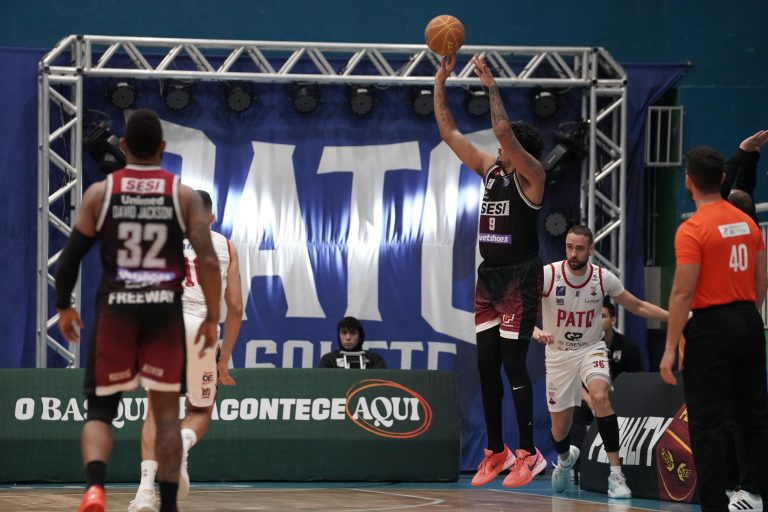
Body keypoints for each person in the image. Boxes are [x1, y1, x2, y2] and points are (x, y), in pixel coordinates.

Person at [55, 109, 221, 512]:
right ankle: (167, 504)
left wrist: (63, 307)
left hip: (117, 312)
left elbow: (70, 258)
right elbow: (208, 261)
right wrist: (212, 318)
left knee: (100, 412)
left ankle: (95, 488)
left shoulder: (101, 193)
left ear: (124, 145)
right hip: (163, 314)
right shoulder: (183, 196)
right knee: (166, 416)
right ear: (162, 148)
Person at [434, 53, 547, 488]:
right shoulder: (491, 171)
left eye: (506, 146)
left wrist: (490, 85)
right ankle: (497, 450)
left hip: (520, 277)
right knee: (486, 365)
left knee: (514, 365)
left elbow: (503, 131)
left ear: (518, 151)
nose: (499, 148)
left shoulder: (532, 176)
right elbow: (449, 133)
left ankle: (529, 453)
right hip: (490, 278)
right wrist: (441, 80)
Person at [660, 146, 768, 512]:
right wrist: (747, 315)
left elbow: (682, 292)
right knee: (755, 421)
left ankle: (714, 507)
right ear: (722, 179)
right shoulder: (748, 223)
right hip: (749, 321)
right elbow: (762, 277)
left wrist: (670, 347)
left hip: (711, 327)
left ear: (688, 183)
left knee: (706, 426)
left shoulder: (693, 228)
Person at [128, 190, 243, 512]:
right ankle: (181, 443)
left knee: (155, 412)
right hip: (201, 330)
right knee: (200, 411)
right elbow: (236, 308)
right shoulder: (226, 247)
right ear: (211, 218)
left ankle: (145, 493)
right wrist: (224, 361)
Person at [534, 224, 668, 498]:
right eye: (569, 247)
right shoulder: (549, 275)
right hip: (559, 355)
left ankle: (616, 475)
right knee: (559, 430)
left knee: (600, 397)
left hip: (591, 349)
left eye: (579, 248)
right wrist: (535, 331)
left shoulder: (602, 278)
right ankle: (564, 459)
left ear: (591, 250)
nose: (573, 253)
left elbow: (638, 305)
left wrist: (674, 317)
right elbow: (520, 306)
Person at [569, 299, 643, 477]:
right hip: (592, 400)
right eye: (593, 317)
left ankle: (618, 469)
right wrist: (591, 400)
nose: (597, 321)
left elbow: (637, 381)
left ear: (613, 320)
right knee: (574, 409)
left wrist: (610, 400)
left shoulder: (629, 347)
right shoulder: (582, 347)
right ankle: (580, 465)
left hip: (622, 402)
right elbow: (574, 381)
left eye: (602, 316)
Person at [318, 316, 386, 369]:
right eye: (344, 332)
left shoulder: (374, 360)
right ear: (339, 335)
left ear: (360, 336)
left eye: (353, 333)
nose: (348, 337)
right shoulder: (328, 360)